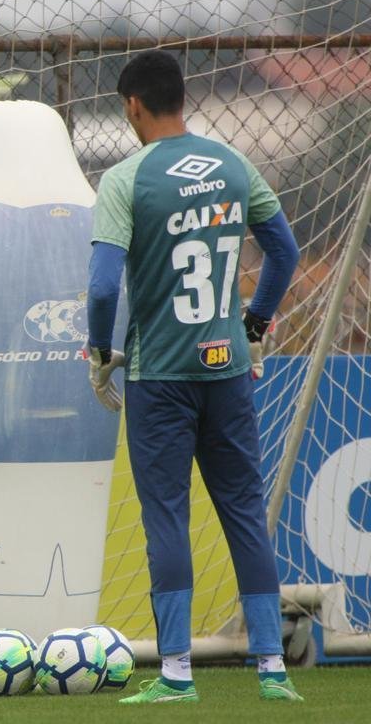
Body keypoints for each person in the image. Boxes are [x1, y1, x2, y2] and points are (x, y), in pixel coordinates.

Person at [87, 50, 302, 703]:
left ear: (132, 105)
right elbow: (284, 252)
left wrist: (100, 352)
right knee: (243, 510)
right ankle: (272, 670)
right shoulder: (233, 165)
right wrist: (255, 324)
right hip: (227, 368)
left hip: (160, 373)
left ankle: (177, 674)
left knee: (167, 518)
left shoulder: (126, 179)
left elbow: (101, 288)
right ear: (182, 97)